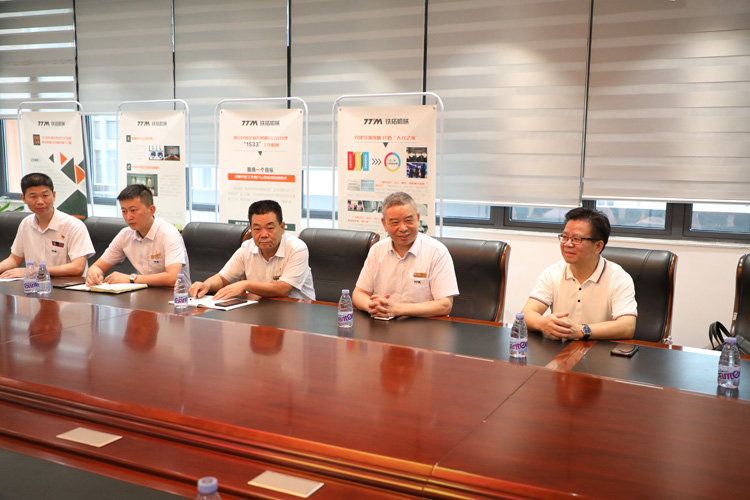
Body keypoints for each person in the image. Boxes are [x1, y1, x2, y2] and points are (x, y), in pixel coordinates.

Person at [521, 207, 637, 341]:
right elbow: (526, 314)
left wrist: (581, 331)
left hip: (600, 349)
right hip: (561, 349)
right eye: (565, 237)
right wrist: (543, 323)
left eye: (576, 239)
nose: (567, 244)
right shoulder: (553, 273)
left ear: (598, 246)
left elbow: (627, 326)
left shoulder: (618, 278)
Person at [352, 191, 458, 318]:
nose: (403, 228)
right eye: (395, 223)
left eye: (408, 220)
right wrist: (372, 306)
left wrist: (398, 309)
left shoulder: (437, 253)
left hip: (425, 326)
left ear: (418, 219)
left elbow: (445, 305)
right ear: (384, 224)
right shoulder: (377, 251)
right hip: (385, 324)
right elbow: (359, 293)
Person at [189, 200, 315, 301]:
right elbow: (222, 278)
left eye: (270, 228)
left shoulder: (297, 249)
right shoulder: (247, 248)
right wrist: (207, 285)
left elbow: (283, 289)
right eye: (257, 229)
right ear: (251, 229)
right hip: (260, 309)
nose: (264, 235)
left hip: (297, 311)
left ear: (282, 227)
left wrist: (245, 284)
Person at [85, 184, 189, 287]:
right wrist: (94, 275)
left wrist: (130, 278)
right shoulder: (125, 235)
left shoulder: (169, 233)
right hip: (144, 294)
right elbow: (97, 267)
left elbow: (173, 278)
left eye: (133, 210)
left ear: (151, 210)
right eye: (124, 211)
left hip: (175, 295)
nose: (128, 217)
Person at [0, 172, 94, 278]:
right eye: (33, 196)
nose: (40, 202)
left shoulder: (73, 226)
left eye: (45, 195)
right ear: (23, 198)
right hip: (34, 285)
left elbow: (77, 268)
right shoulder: (26, 223)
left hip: (67, 285)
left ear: (54, 195)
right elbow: (14, 259)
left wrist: (35, 271)